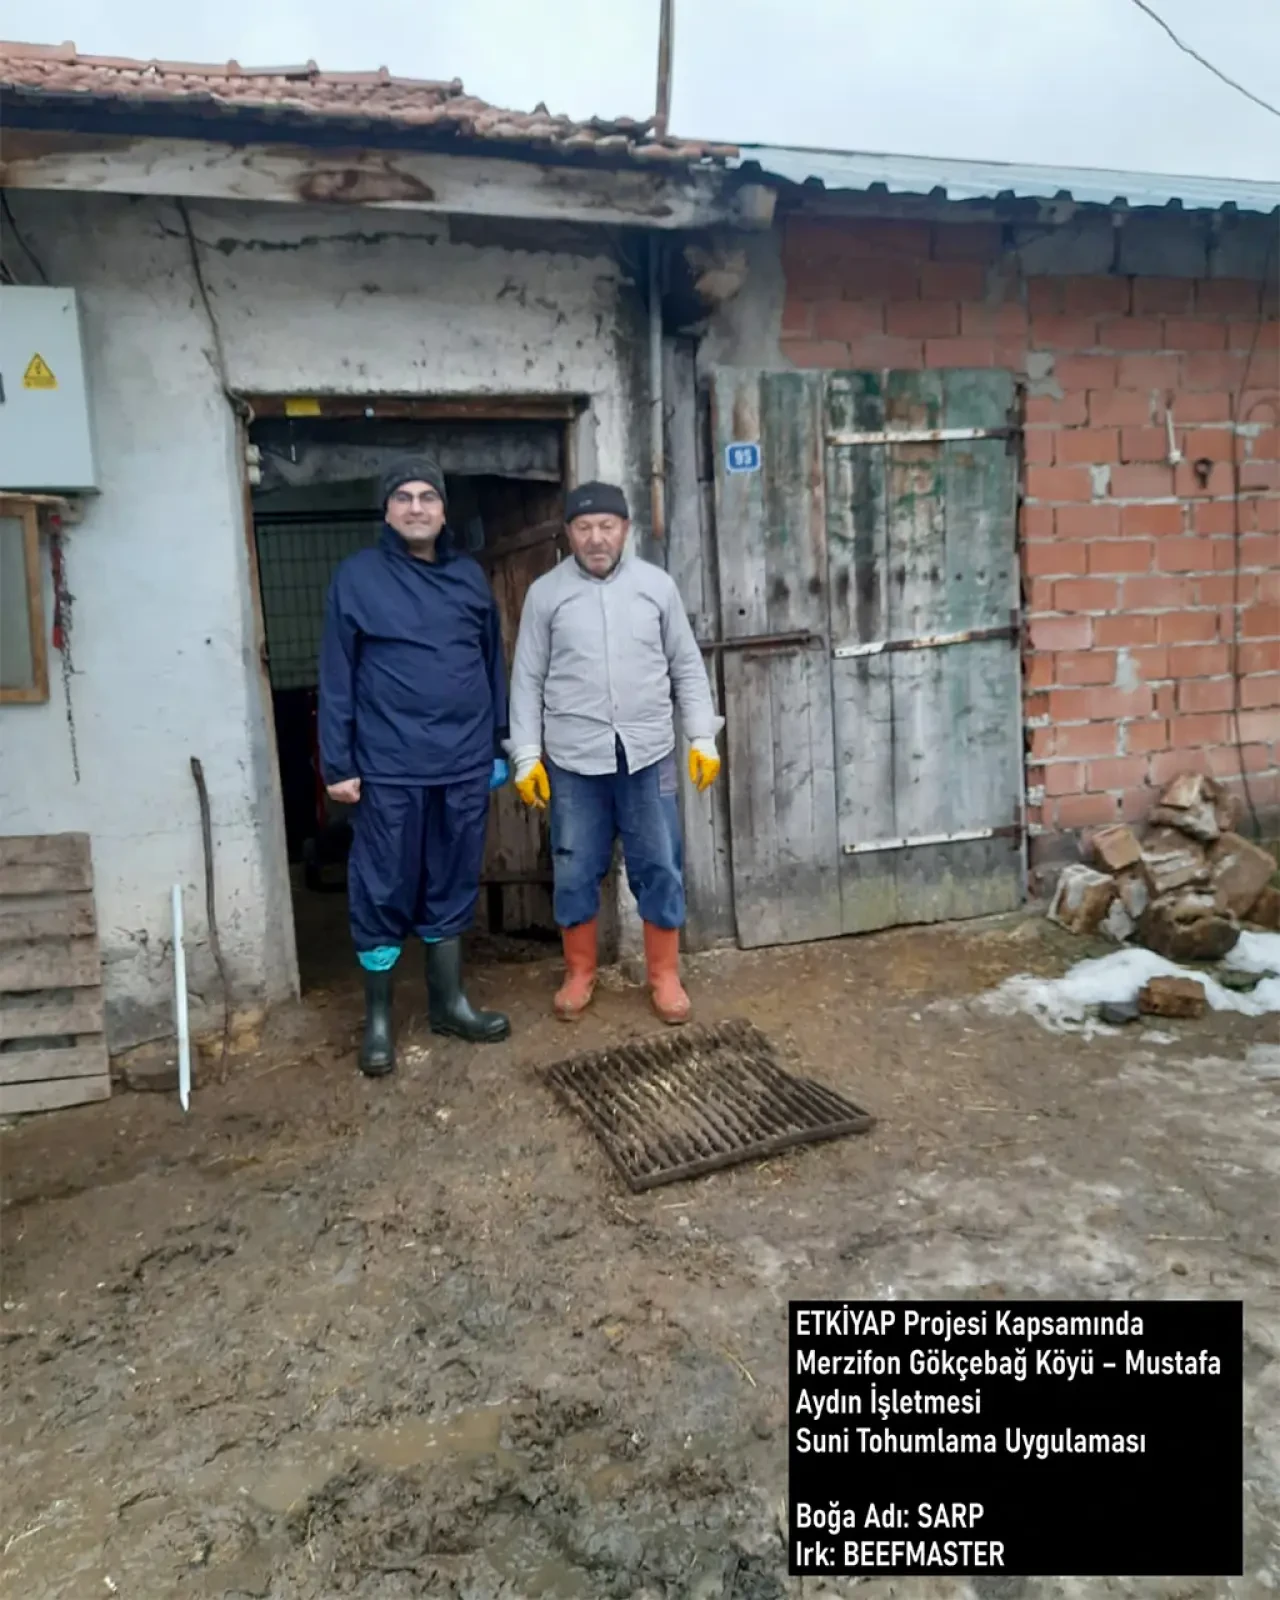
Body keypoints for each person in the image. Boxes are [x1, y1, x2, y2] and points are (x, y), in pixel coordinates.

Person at [318, 457, 511, 1076]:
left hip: (461, 763)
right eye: (403, 497)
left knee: (452, 877)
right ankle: (377, 1021)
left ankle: (449, 1003)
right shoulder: (358, 579)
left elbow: (491, 665)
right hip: (388, 767)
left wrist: (500, 743)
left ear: (444, 510)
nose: (417, 507)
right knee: (383, 886)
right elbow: (337, 677)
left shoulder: (468, 579)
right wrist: (337, 762)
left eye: (429, 496)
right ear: (386, 510)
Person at [506, 481, 723, 1025]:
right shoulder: (546, 594)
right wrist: (527, 755)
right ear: (569, 534)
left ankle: (664, 976)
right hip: (575, 762)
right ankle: (580, 972)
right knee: (575, 865)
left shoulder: (656, 587)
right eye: (584, 528)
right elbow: (526, 680)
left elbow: (687, 666)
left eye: (607, 526)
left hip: (648, 756)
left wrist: (701, 736)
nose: (596, 538)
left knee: (659, 865)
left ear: (626, 529)